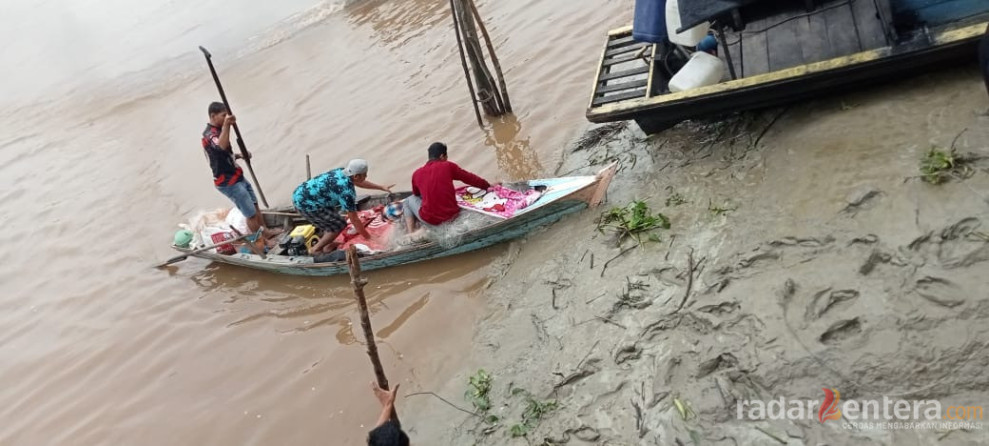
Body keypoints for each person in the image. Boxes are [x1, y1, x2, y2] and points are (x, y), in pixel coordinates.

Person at [201, 102, 277, 241]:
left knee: (254, 205)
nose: (226, 118)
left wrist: (239, 155)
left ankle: (265, 232)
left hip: (237, 175)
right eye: (223, 115)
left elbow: (224, 156)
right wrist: (227, 125)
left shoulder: (219, 130)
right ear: (213, 116)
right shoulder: (209, 135)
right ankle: (261, 241)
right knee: (250, 214)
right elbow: (222, 147)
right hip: (228, 182)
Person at [293, 159, 394, 254]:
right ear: (356, 176)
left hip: (304, 193)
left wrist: (381, 187)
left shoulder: (342, 171)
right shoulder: (346, 192)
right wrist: (368, 237)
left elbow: (360, 182)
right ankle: (316, 249)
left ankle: (327, 243)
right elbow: (354, 219)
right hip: (306, 204)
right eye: (365, 175)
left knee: (331, 221)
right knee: (339, 225)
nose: (366, 176)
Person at [402, 142, 497, 233]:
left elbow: (416, 194)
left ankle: (411, 232)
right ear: (442, 156)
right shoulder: (448, 166)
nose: (446, 159)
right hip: (453, 216)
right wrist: (487, 185)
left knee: (407, 201)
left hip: (431, 220)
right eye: (446, 157)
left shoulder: (416, 174)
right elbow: (470, 178)